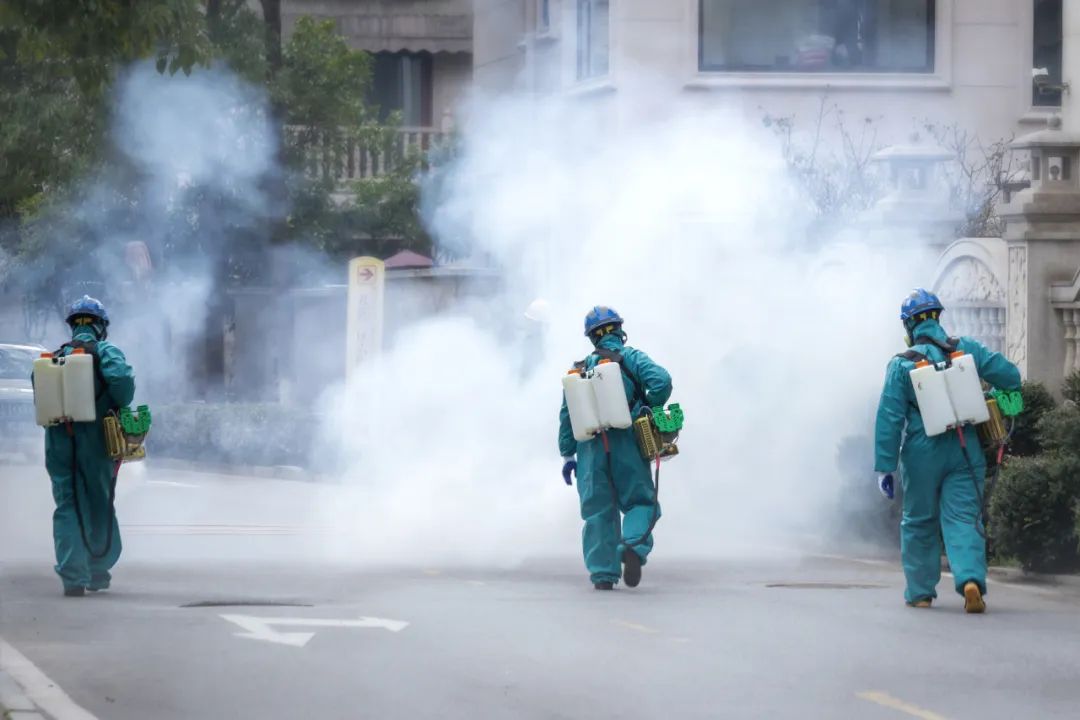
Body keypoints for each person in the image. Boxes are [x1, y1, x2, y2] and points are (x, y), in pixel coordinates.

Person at [874, 289, 1020, 613]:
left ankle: (921, 593)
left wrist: (885, 467)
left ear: (909, 326)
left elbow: (889, 417)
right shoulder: (965, 349)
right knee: (963, 517)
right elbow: (1011, 376)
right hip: (964, 447)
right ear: (938, 317)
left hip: (920, 451)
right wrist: (997, 394)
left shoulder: (900, 365)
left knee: (919, 521)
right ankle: (970, 580)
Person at [558, 306, 672, 590]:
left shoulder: (578, 370)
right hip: (627, 442)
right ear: (619, 330)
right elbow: (662, 381)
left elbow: (567, 415)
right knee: (640, 502)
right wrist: (647, 405)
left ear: (592, 338)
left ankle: (603, 574)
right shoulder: (630, 358)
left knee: (598, 511)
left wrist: (567, 455)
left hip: (589, 450)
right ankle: (632, 545)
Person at [39, 296, 135, 597]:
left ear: (73, 326)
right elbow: (122, 384)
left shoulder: (54, 357)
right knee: (98, 501)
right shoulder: (107, 351)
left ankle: (72, 577)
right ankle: (96, 572)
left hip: (58, 442)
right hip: (96, 441)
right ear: (101, 326)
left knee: (68, 504)